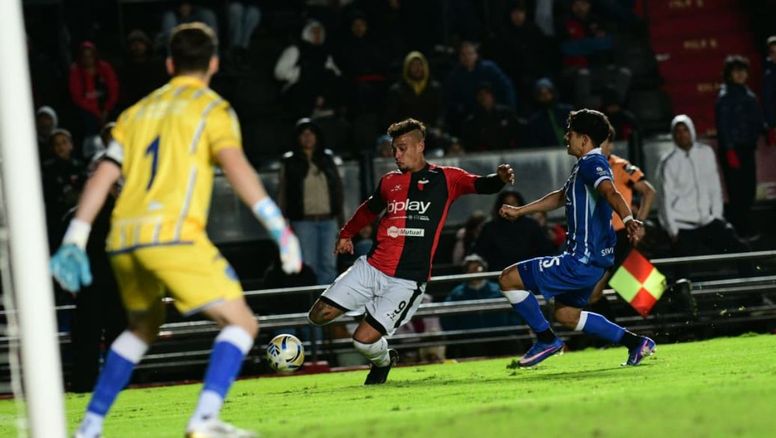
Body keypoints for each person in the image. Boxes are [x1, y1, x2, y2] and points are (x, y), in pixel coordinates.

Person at [50, 23, 302, 438]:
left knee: (141, 329)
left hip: (123, 238)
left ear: (169, 64)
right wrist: (279, 227)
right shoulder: (212, 109)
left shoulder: (136, 112)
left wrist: (76, 234)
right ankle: (204, 419)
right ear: (214, 63)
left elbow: (103, 173)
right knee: (242, 323)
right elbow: (236, 167)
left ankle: (89, 427)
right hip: (171, 234)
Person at [306, 118, 515, 384]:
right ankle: (374, 322)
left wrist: (499, 179)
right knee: (317, 316)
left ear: (420, 146)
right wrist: (346, 233)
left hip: (406, 280)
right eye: (394, 149)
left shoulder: (447, 178)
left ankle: (383, 361)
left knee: (362, 341)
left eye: (402, 148)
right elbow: (369, 209)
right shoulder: (388, 182)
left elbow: (481, 184)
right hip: (371, 267)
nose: (396, 154)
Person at [498, 109, 654, 368]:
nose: (566, 137)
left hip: (579, 261)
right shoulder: (584, 166)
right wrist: (520, 211)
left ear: (584, 139)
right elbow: (560, 197)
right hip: (593, 262)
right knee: (566, 315)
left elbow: (611, 192)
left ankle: (546, 340)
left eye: (570, 133)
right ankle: (636, 343)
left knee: (508, 279)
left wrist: (628, 219)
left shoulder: (593, 164)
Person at [657, 115, 749, 262]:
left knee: (742, 250)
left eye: (685, 130)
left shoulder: (706, 153)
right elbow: (664, 199)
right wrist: (672, 230)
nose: (682, 135)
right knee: (682, 267)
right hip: (682, 226)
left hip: (708, 221)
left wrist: (717, 217)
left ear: (691, 131)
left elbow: (715, 187)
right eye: (678, 131)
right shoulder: (668, 162)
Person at [588, 127, 656, 305]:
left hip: (619, 237)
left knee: (640, 294)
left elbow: (649, 191)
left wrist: (639, 223)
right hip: (598, 238)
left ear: (610, 145)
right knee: (639, 294)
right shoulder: (586, 168)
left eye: (601, 141)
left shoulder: (620, 166)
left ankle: (674, 303)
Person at [278, 118, 344, 285]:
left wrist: (342, 220)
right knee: (309, 264)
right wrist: (282, 221)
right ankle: (312, 299)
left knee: (329, 264)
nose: (308, 137)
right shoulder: (289, 161)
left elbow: (338, 189)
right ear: (297, 138)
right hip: (303, 222)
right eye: (303, 134)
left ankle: (328, 300)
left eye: (311, 134)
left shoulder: (327, 158)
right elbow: (283, 192)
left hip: (328, 220)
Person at [715, 55, 767, 239]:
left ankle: (743, 227)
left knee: (749, 189)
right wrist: (729, 149)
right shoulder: (725, 96)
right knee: (738, 191)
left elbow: (757, 119)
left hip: (747, 147)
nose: (740, 75)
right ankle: (739, 230)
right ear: (729, 74)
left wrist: (766, 129)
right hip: (734, 149)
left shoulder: (748, 94)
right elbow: (723, 126)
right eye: (736, 71)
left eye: (743, 71)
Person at [474, 190, 555, 272]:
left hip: (528, 272)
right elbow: (479, 252)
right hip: (499, 273)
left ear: (520, 205)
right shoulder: (490, 227)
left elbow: (545, 250)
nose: (510, 207)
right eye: (507, 204)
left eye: (513, 203)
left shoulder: (531, 225)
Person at [68, 41, 119, 137]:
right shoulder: (75, 71)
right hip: (87, 110)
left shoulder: (105, 67)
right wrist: (97, 113)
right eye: (84, 56)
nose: (88, 59)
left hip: (107, 107)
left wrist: (107, 109)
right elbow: (77, 97)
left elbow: (114, 89)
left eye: (90, 56)